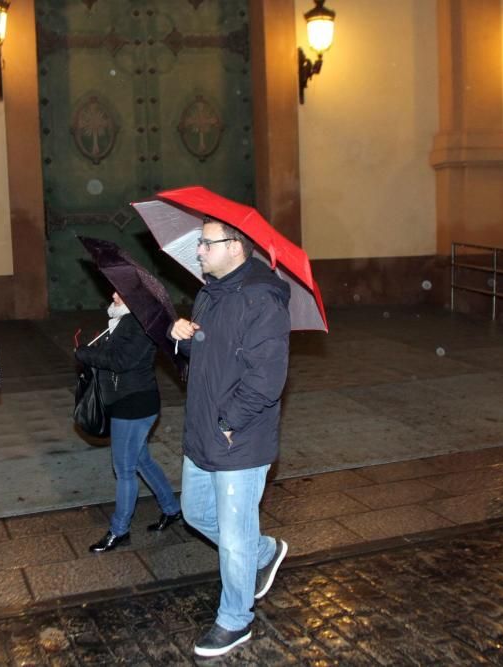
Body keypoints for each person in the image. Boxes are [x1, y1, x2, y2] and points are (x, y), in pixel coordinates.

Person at [170, 218, 291, 658]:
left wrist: (230, 421)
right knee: (196, 512)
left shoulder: (263, 299)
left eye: (206, 243)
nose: (198, 250)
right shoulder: (208, 293)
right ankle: (264, 552)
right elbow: (204, 358)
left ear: (236, 247)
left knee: (234, 537)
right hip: (203, 429)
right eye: (200, 242)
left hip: (239, 436)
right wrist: (180, 336)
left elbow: (267, 377)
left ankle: (235, 620)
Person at [75, 292, 182, 553]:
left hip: (134, 404)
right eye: (111, 289)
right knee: (141, 459)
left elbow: (122, 362)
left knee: (124, 469)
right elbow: (115, 354)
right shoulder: (122, 320)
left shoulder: (139, 323)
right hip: (129, 400)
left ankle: (119, 530)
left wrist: (85, 354)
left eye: (119, 291)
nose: (113, 294)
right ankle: (172, 508)